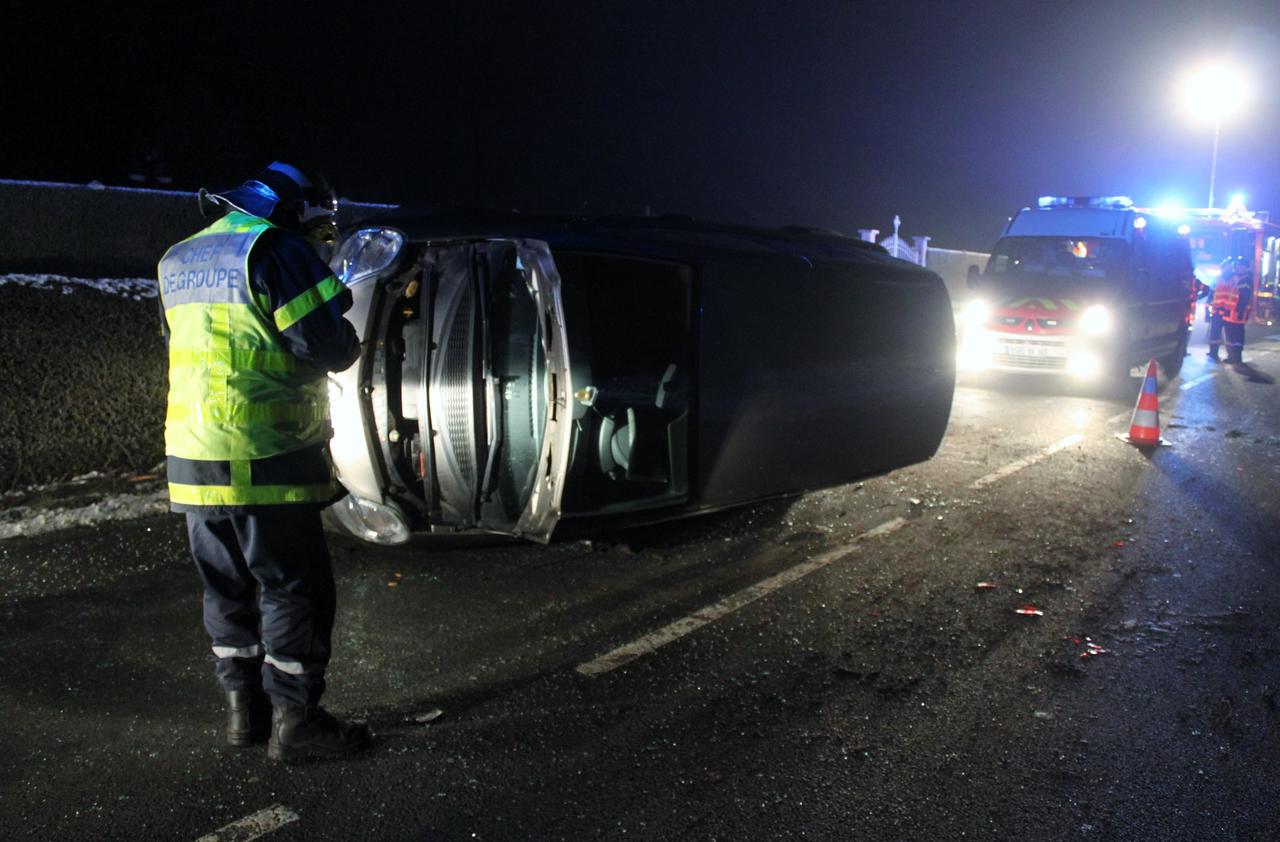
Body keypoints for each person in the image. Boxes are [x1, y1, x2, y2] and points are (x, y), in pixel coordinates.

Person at [156, 161, 370, 762]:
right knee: (292, 588)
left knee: (225, 588)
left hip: (192, 457)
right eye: (319, 228)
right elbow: (330, 348)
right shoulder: (276, 252)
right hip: (265, 457)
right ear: (293, 209)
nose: (319, 237)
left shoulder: (179, 257)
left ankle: (243, 715)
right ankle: (298, 722)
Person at [1207, 259, 1254, 364]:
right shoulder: (1225, 278)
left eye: (1239, 266)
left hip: (1234, 312)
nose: (1235, 268)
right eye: (1235, 266)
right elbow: (1213, 294)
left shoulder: (1241, 279)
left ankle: (1235, 358)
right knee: (1227, 336)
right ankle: (1227, 356)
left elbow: (1242, 297)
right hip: (1224, 311)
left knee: (1235, 336)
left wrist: (1238, 310)